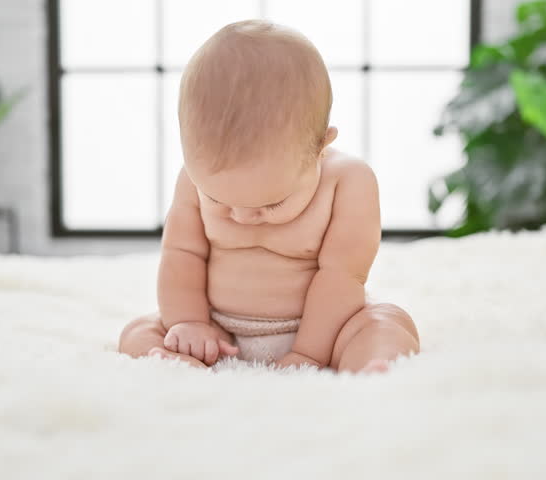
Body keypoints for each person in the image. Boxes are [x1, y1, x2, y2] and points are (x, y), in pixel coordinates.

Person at [118, 20, 419, 373]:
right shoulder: (195, 179)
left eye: (272, 204)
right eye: (218, 200)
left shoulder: (349, 182)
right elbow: (181, 254)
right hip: (217, 329)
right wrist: (189, 322)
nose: (243, 217)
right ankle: (182, 363)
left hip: (320, 328)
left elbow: (342, 276)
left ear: (321, 147)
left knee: (387, 324)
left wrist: (308, 353)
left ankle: (369, 365)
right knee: (139, 332)